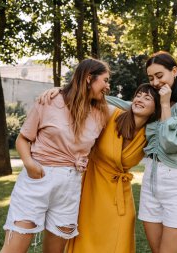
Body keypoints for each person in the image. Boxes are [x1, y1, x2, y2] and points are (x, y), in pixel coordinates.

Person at [0, 58, 111, 253]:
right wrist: (29, 163)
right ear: (88, 78)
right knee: (14, 249)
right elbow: (23, 139)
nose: (108, 87)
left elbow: (132, 107)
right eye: (105, 80)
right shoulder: (49, 101)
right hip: (38, 179)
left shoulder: (101, 113)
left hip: (70, 185)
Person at [107, 51, 177, 253]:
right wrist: (66, 91)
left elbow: (171, 144)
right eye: (151, 78)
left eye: (160, 76)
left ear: (174, 71)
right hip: (150, 183)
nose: (156, 82)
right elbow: (124, 105)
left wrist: (166, 104)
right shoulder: (154, 105)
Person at [65, 83, 161, 253]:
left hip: (120, 198)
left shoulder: (151, 134)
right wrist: (54, 93)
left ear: (155, 109)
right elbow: (83, 97)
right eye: (138, 95)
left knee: (119, 242)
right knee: (87, 241)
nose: (140, 99)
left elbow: (171, 146)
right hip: (92, 190)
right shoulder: (111, 114)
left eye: (147, 98)